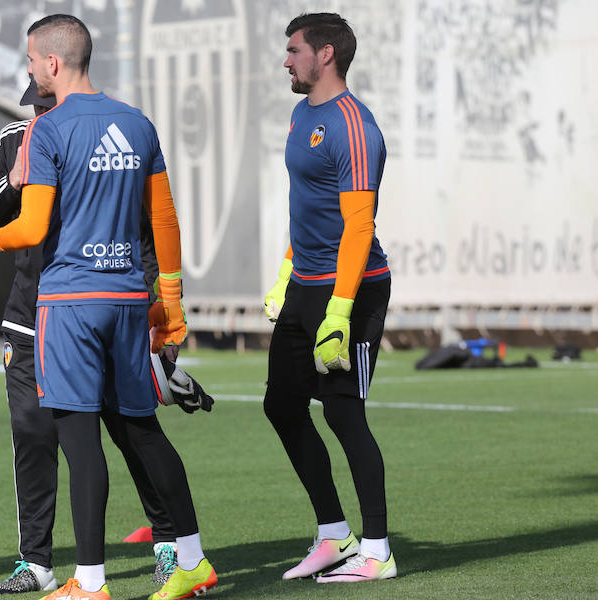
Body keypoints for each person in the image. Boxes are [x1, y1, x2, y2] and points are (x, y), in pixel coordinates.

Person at [0, 14, 217, 600]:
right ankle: (192, 559)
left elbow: (28, 228)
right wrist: (172, 306)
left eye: (31, 62)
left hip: (71, 303)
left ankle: (90, 583)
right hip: (128, 298)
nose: (30, 71)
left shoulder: (47, 132)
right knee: (143, 432)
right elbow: (165, 221)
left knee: (79, 442)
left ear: (52, 64)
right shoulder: (137, 122)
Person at [262, 12, 397, 583]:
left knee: (343, 414)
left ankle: (378, 551)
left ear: (326, 55)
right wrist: (286, 271)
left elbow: (358, 227)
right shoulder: (301, 115)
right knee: (282, 406)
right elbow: (307, 207)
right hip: (304, 286)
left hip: (354, 291)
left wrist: (339, 312)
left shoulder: (355, 124)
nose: (286, 59)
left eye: (294, 50)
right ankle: (333, 534)